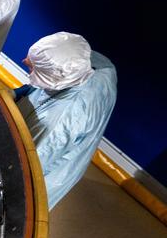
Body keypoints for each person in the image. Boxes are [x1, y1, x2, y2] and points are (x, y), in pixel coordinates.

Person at [14, 32, 117, 209]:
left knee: (22, 203)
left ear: (54, 78)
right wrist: (20, 92)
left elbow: (23, 166)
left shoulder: (60, 123)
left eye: (33, 68)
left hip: (42, 167)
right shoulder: (90, 62)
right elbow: (45, 80)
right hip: (64, 133)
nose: (23, 61)